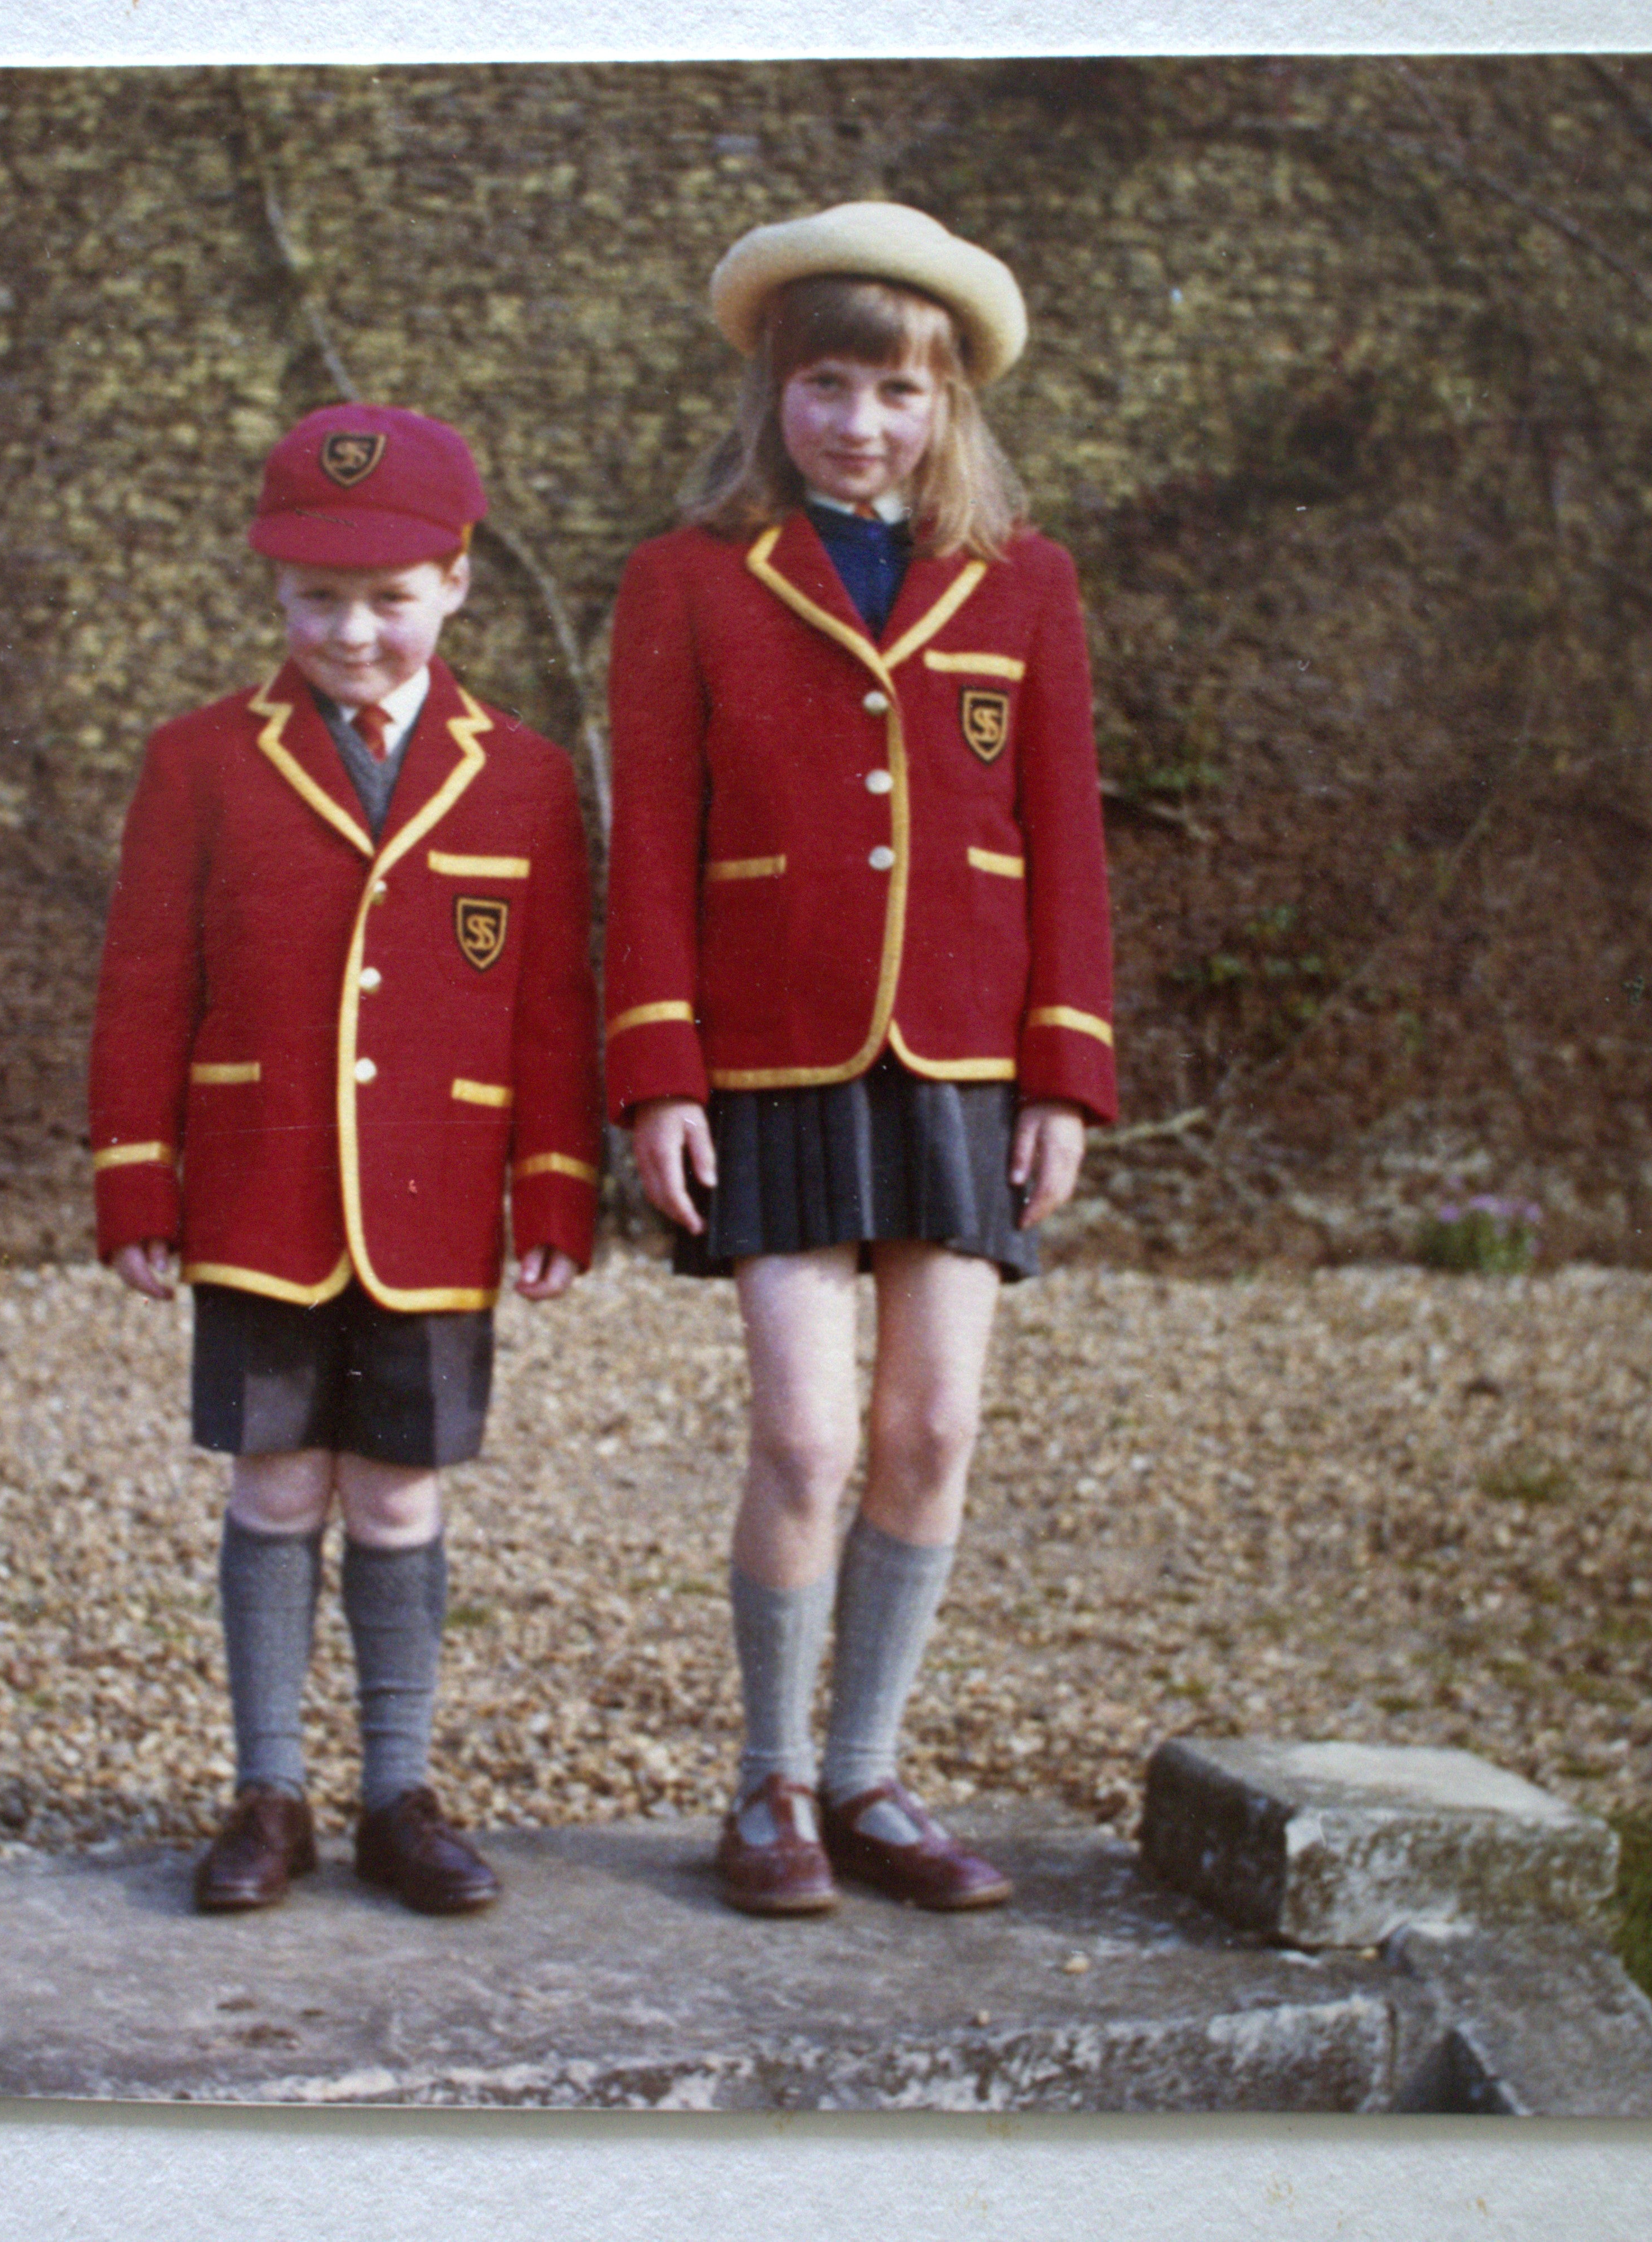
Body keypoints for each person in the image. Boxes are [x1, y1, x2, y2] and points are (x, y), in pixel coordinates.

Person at [603, 203, 1118, 1917]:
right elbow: (650, 849)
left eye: (898, 389)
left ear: (950, 402)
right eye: (826, 382)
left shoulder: (1024, 581)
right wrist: (657, 1070)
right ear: (774, 390)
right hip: (770, 1056)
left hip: (966, 1055)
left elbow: (1065, 843)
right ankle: (770, 1785)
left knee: (936, 1423)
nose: (860, 421)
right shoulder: (687, 581)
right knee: (809, 1441)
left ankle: (875, 1773)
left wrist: (1065, 1076)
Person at [89, 404, 598, 1917]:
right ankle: (267, 1791)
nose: (354, 633)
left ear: (454, 583)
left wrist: (557, 1184)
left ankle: (397, 1790)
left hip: (438, 1208)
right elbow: (141, 984)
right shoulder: (197, 761)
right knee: (273, 1481)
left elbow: (553, 1007)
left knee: (396, 1499)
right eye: (319, 599)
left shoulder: (524, 776)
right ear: (274, 593)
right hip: (257, 1195)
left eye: (388, 599)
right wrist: (136, 1173)